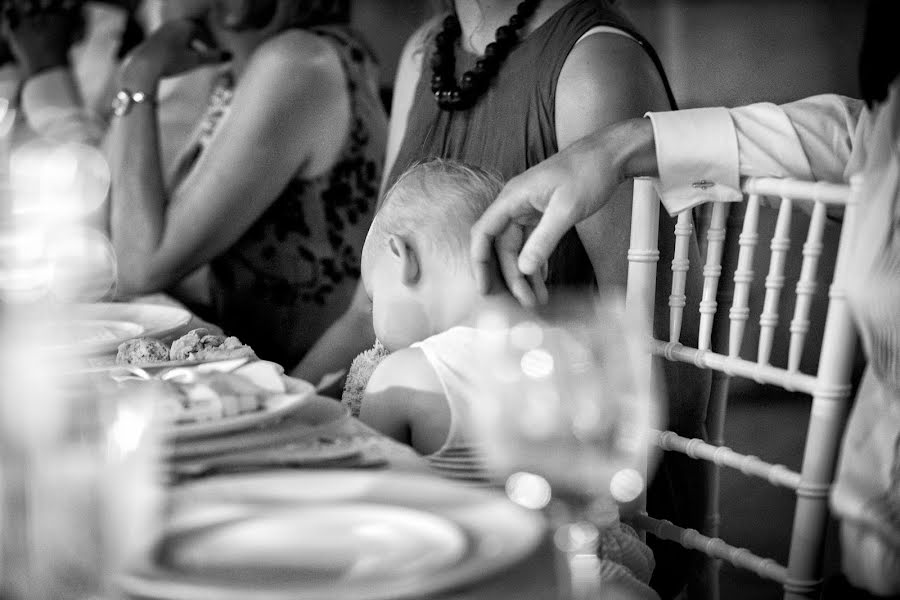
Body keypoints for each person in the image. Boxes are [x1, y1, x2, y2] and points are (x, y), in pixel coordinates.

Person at [468, 2, 900, 595]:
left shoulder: (590, 59)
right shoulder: (886, 126)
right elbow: (855, 133)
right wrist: (613, 150)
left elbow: (665, 381)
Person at [297, 2, 710, 595]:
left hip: (579, 521)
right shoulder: (424, 53)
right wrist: (276, 405)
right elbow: (368, 309)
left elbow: (665, 358)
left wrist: (690, 564)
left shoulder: (593, 65)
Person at [359, 158, 660, 600]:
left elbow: (368, 500)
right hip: (600, 576)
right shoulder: (563, 349)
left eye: (373, 297)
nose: (373, 323)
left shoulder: (402, 375)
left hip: (484, 580)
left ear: (401, 257)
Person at [106, 0, 387, 368]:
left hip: (292, 386)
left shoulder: (294, 63)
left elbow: (138, 267)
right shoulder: (243, 67)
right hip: (247, 369)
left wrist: (139, 76)